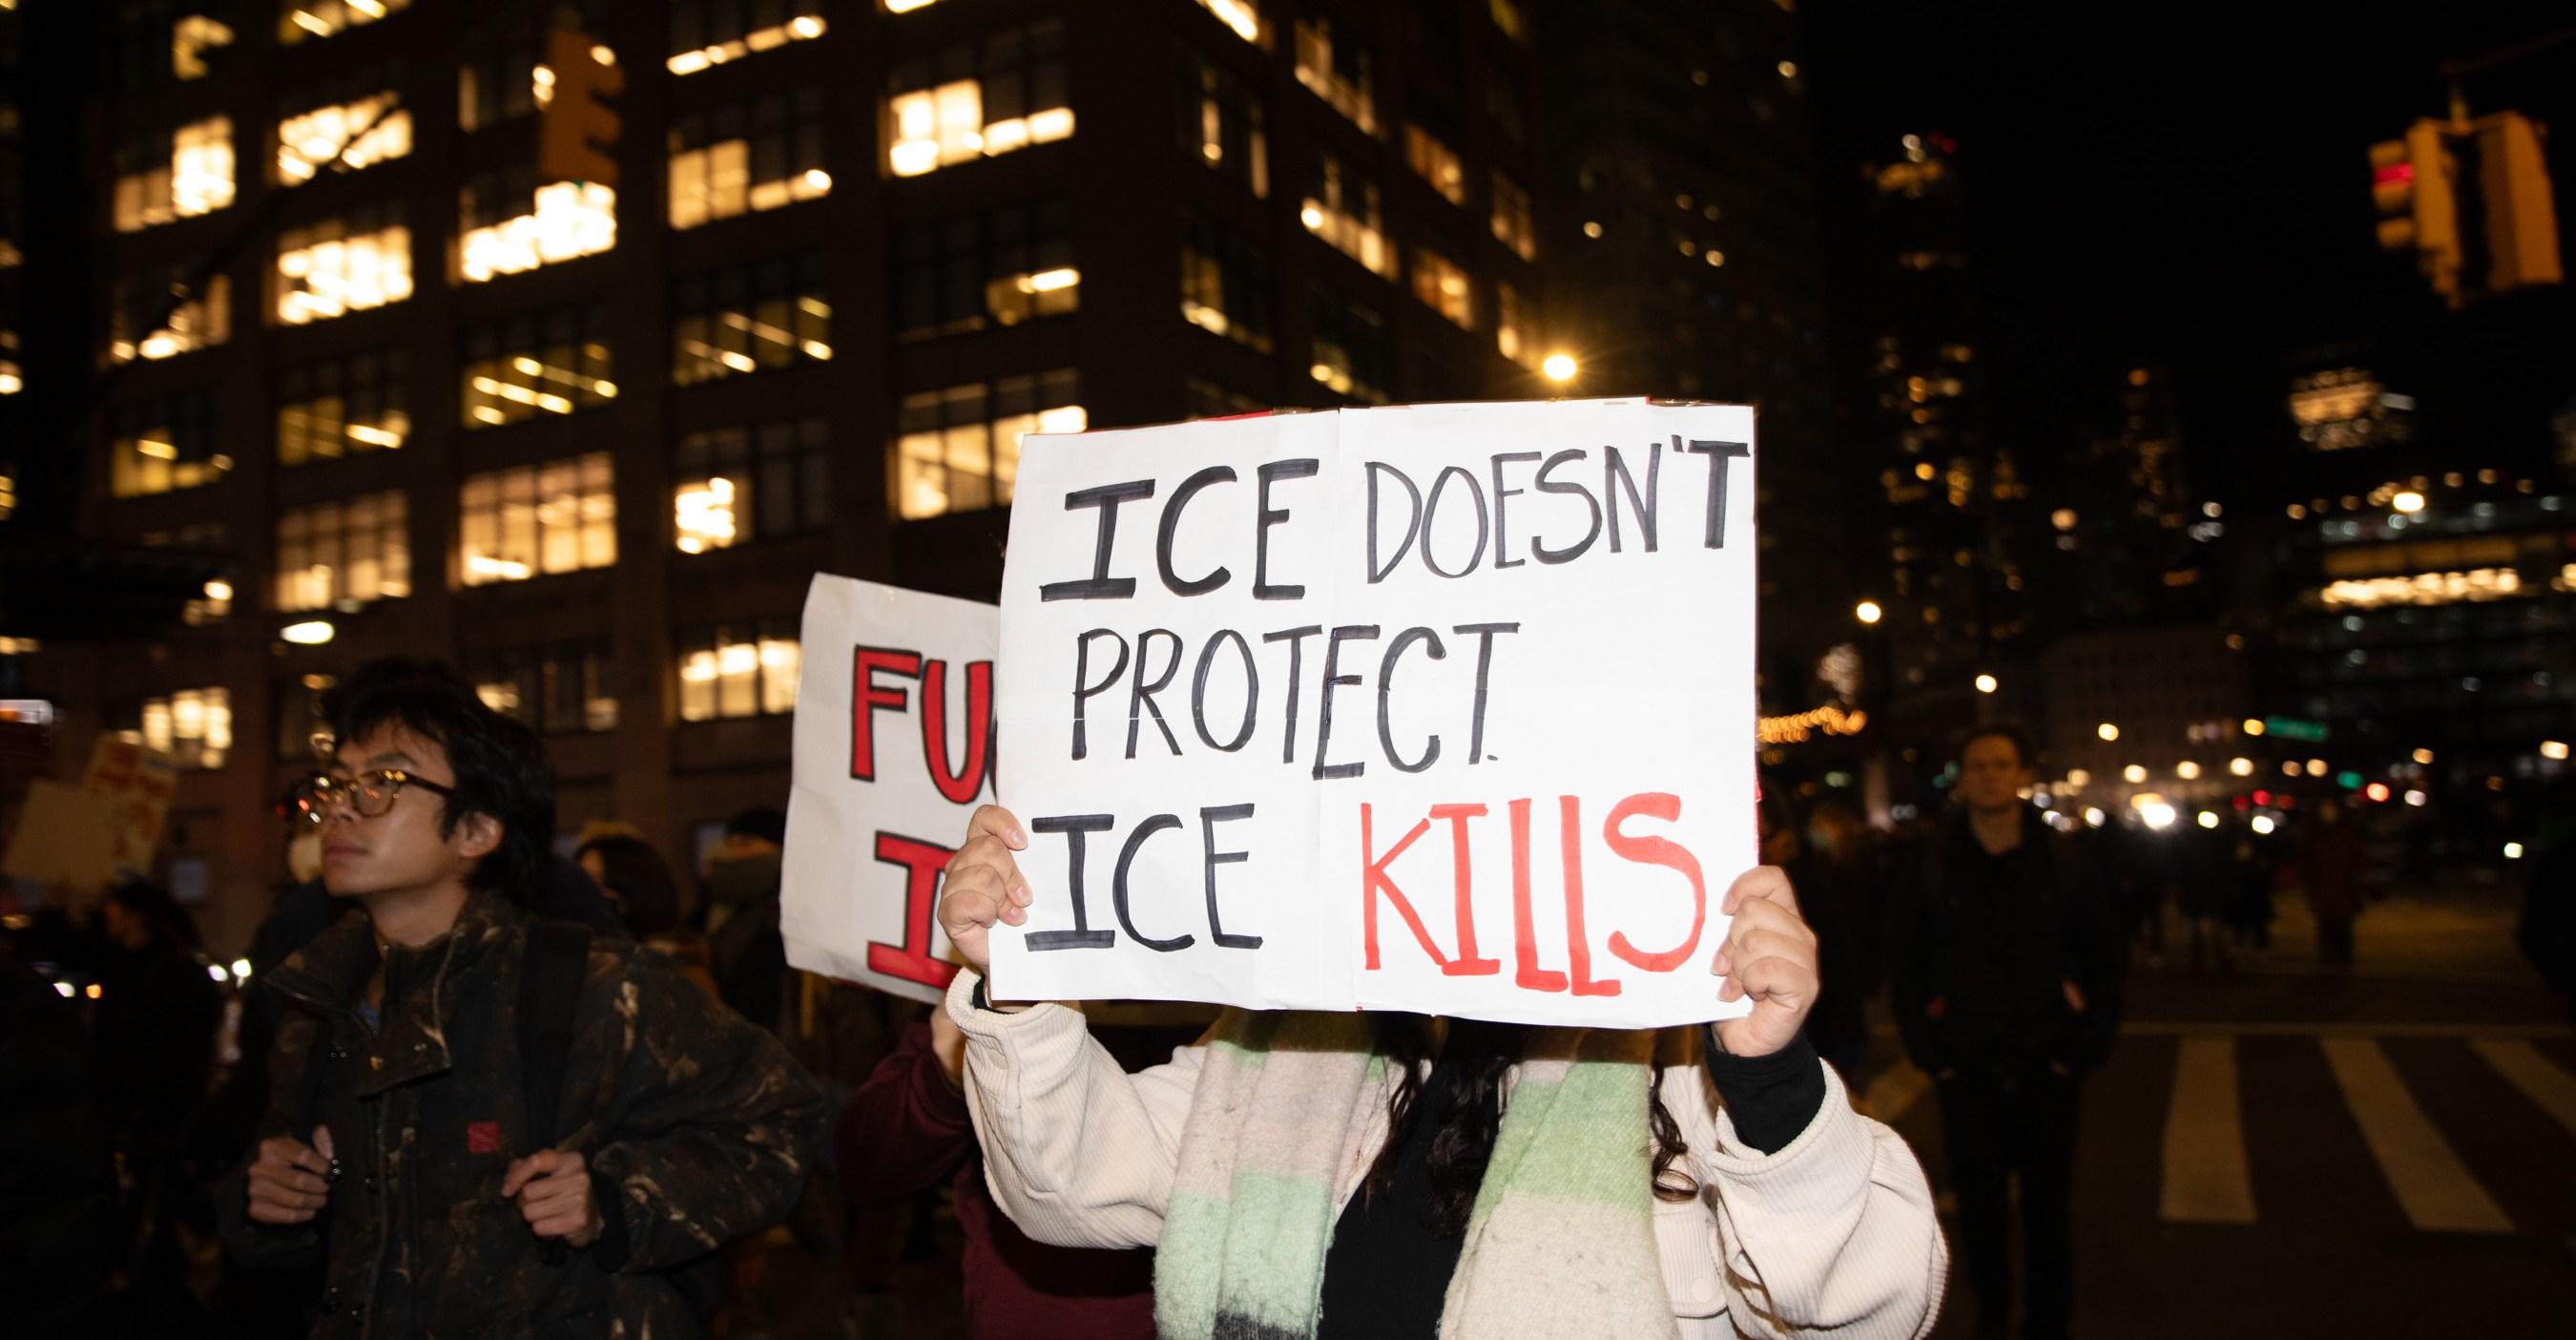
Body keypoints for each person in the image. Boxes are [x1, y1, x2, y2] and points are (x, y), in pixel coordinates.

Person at [932, 805, 1947, 1340]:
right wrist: (1020, 986)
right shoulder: (1291, 1034)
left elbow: (1876, 1312)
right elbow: (1072, 1186)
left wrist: (1772, 1091)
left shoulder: (1683, 1063)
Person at [217, 658, 822, 1337]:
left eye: (383, 782)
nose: (341, 808)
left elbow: (782, 1119)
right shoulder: (318, 1004)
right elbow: (299, 1225)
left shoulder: (592, 986)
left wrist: (616, 1201)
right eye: (335, 784)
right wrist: (262, 1202)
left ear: (477, 831)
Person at [1888, 724, 2122, 1340]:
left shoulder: (2063, 860)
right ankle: (1992, 1317)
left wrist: (2082, 1047)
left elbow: (2104, 958)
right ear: (1963, 779)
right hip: (1967, 1068)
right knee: (1982, 1214)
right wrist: (1930, 1053)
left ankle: (2049, 1323)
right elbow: (1905, 962)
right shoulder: (1934, 863)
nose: (1990, 775)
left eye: (2001, 764)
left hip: (2048, 1063)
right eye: (1978, 765)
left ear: (2020, 774)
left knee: (2049, 1213)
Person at [840, 1001, 1191, 1339]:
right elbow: (868, 1166)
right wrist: (944, 1070)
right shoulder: (1000, 973)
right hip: (1041, 1312)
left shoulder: (1235, 999)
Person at [575, 833, 717, 996]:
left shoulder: (676, 972)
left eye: (595, 882)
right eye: (584, 882)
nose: (583, 894)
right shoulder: (583, 962)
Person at [705, 806, 790, 1033]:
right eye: (730, 844)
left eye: (746, 843)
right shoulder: (722, 901)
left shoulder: (786, 898)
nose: (736, 854)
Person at [2296, 801, 2366, 966]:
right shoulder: (2314, 835)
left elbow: (2359, 861)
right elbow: (2306, 861)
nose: (2329, 813)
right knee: (2325, 923)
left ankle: (2343, 957)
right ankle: (2327, 957)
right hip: (2322, 888)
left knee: (2343, 925)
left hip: (2344, 888)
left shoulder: (2347, 834)